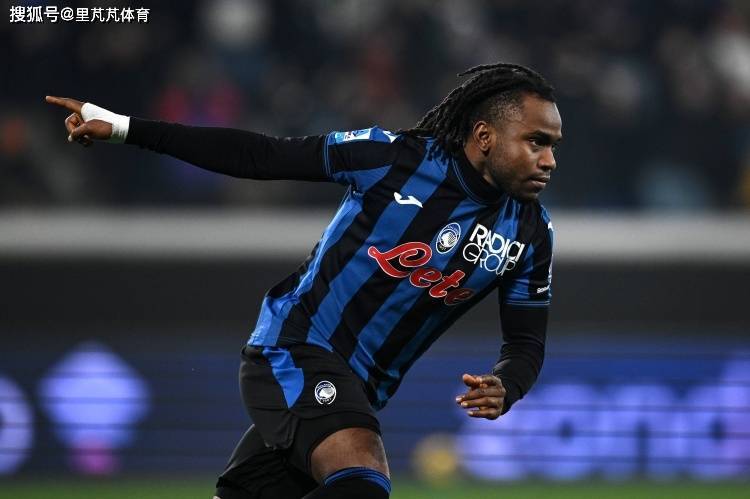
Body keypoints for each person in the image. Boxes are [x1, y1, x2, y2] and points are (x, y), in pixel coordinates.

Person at [46, 62, 562, 499]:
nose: (549, 160)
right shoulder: (394, 158)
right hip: (294, 350)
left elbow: (525, 344)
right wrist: (125, 128)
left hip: (356, 394)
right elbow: (261, 156)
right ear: (485, 136)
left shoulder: (531, 235)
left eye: (553, 146)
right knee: (362, 481)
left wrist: (507, 385)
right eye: (536, 142)